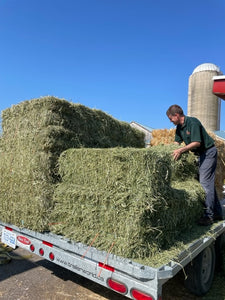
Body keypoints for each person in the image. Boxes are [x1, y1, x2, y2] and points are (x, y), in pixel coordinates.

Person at [166, 104, 222, 226]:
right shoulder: (179, 128)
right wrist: (168, 150)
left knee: (204, 183)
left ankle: (208, 216)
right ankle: (217, 212)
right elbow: (177, 142)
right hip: (199, 154)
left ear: (176, 115)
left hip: (208, 152)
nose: (170, 121)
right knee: (207, 183)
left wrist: (181, 150)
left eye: (171, 118)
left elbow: (197, 142)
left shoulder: (193, 122)